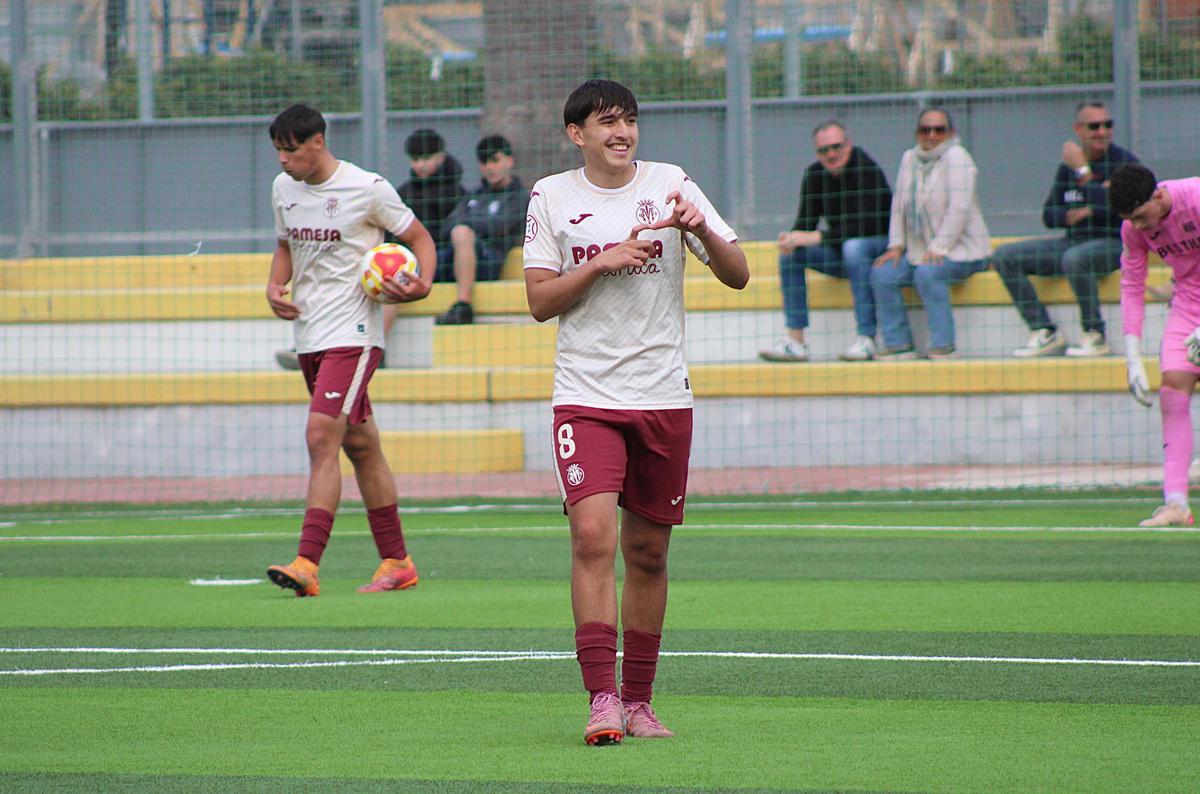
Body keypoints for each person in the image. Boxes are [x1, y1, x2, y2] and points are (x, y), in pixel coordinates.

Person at [523, 79, 749, 745]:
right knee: (592, 537)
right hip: (586, 397)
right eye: (607, 122)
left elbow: (738, 273)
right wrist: (603, 263)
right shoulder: (551, 196)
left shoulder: (670, 183)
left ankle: (640, 703)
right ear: (577, 134)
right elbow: (539, 301)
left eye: (629, 121)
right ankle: (601, 699)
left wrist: (699, 227)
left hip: (663, 396)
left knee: (648, 552)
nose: (622, 133)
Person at [262, 104, 436, 596]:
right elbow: (285, 247)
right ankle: (397, 561)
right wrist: (274, 286)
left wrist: (422, 284)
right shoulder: (283, 190)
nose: (283, 160)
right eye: (278, 151)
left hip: (354, 335)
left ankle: (307, 563)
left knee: (321, 436)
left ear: (317, 142)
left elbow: (419, 238)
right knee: (360, 444)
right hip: (309, 335)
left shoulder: (367, 188)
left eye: (291, 150)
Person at [992, 101, 1139, 358]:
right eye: (1094, 126)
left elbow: (1121, 206)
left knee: (1075, 258)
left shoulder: (1124, 163)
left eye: (1108, 125)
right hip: (1073, 240)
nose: (1102, 131)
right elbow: (1049, 215)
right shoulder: (1066, 168)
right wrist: (1081, 210)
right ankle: (1044, 330)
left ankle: (1095, 334)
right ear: (1078, 129)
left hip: (1115, 241)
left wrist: (1084, 174)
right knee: (1005, 256)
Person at [759, 120, 892, 363]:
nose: (831, 154)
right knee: (792, 254)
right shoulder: (814, 175)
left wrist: (816, 236)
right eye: (823, 150)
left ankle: (867, 339)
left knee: (854, 247)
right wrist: (791, 238)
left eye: (836, 147)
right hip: (842, 253)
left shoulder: (867, 170)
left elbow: (870, 224)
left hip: (877, 252)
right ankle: (796, 341)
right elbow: (805, 223)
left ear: (848, 144)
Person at [1111, 163, 1199, 527]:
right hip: (1189, 305)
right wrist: (1132, 356)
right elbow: (1132, 284)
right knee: (1172, 392)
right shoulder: (1133, 229)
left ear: (1158, 196)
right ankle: (1176, 503)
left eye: (1141, 216)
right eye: (1130, 220)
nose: (1138, 227)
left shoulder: (1195, 198)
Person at [870, 108, 990, 359]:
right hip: (920, 253)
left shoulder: (958, 157)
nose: (932, 135)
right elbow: (899, 205)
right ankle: (898, 344)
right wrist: (896, 246)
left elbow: (959, 208)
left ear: (951, 132)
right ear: (917, 133)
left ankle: (943, 345)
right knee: (883, 273)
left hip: (963, 252)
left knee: (928, 272)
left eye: (939, 130)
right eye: (925, 130)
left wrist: (938, 247)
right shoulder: (909, 158)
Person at [434, 134, 530, 325]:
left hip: (489, 261)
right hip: (454, 258)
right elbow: (446, 227)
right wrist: (477, 224)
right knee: (411, 259)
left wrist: (467, 224)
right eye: (484, 162)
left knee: (462, 232)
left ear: (509, 160)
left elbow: (500, 226)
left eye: (495, 160)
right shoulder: (474, 194)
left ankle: (463, 305)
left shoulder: (520, 196)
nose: (489, 167)